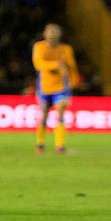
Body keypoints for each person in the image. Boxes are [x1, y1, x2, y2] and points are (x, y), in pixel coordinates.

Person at [32, 23, 78, 153]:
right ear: (44, 34)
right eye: (50, 32)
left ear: (60, 34)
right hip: (44, 88)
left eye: (55, 32)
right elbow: (38, 64)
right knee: (44, 113)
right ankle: (40, 143)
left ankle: (60, 145)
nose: (52, 34)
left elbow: (72, 67)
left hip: (61, 87)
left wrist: (73, 83)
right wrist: (55, 64)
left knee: (61, 110)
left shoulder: (66, 49)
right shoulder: (39, 47)